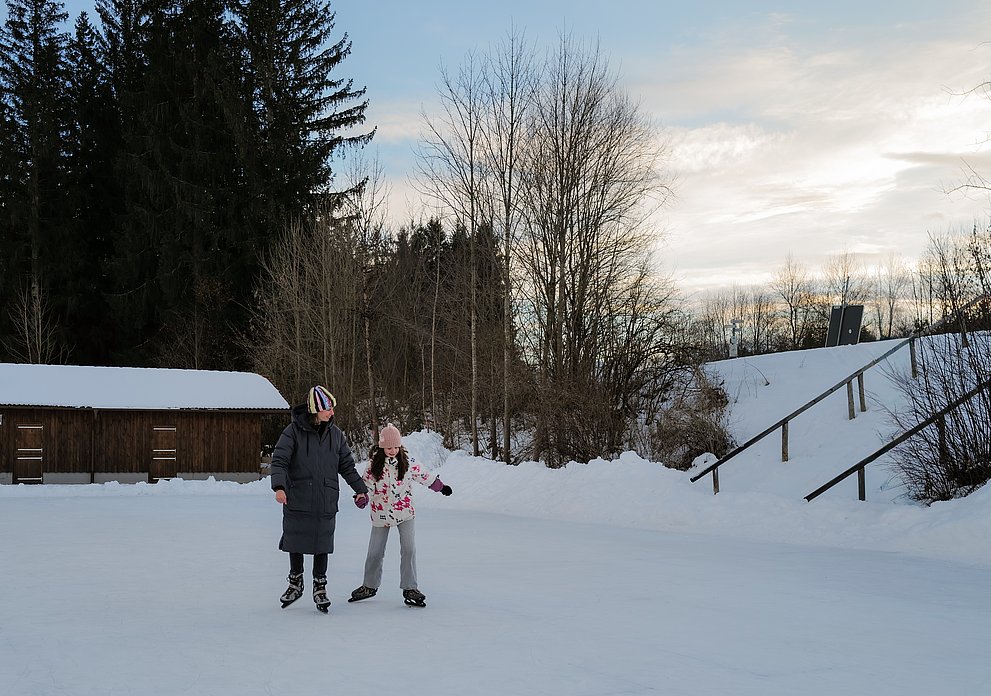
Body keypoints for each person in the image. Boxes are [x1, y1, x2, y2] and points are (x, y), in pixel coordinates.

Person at [270, 385, 369, 613]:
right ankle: (296, 582)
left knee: (322, 542)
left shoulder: (336, 435)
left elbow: (346, 466)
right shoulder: (292, 432)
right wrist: (279, 486)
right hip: (298, 496)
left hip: (325, 496)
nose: (332, 413)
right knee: (295, 539)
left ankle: (319, 585)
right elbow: (280, 461)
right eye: (328, 409)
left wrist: (360, 489)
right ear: (316, 410)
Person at [349, 423, 452, 607]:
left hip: (405, 512)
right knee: (375, 552)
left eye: (396, 447)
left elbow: (424, 475)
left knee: (409, 549)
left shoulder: (407, 460)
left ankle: (410, 587)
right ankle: (369, 586)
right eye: (389, 447)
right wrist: (362, 498)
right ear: (382, 447)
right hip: (381, 513)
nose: (393, 450)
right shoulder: (374, 464)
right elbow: (366, 486)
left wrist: (440, 487)